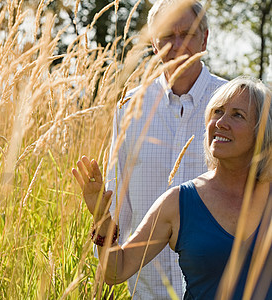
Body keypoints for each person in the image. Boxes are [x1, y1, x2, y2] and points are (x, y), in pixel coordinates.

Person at [73, 76, 272, 299]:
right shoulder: (178, 203)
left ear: (261, 132)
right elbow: (117, 271)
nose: (220, 122)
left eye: (237, 115)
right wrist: (102, 218)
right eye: (217, 111)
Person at [102, 0, 227, 298]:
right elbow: (117, 198)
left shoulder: (232, 106)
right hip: (147, 287)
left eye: (187, 33)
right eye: (167, 35)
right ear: (154, 45)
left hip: (219, 286)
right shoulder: (129, 108)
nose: (177, 44)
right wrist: (110, 264)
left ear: (205, 39)